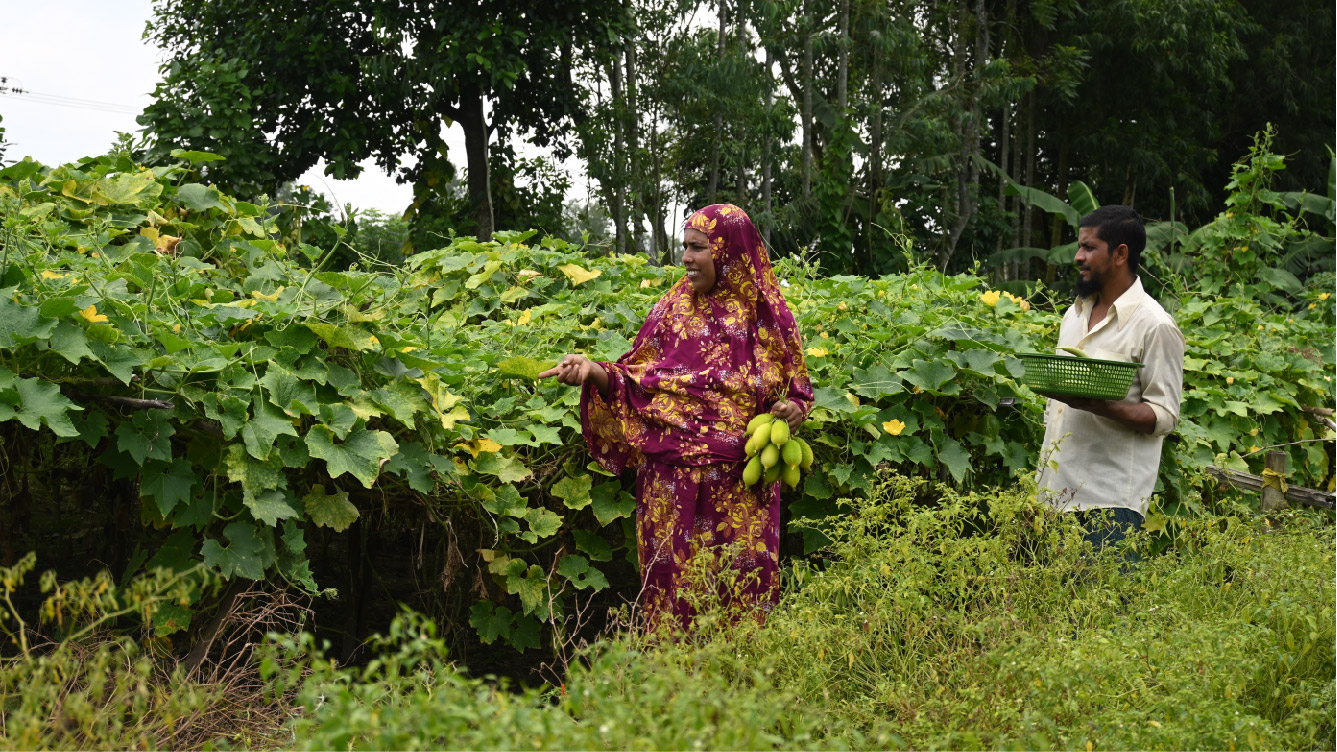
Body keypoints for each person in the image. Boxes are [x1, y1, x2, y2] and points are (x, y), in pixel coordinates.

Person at [539, 203, 813, 628]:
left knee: (742, 606)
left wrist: (794, 410)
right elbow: (638, 378)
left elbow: (799, 389)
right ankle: (672, 693)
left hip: (742, 492)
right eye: (684, 247)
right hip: (670, 488)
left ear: (729, 251)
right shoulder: (671, 310)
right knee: (673, 609)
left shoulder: (769, 318)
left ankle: (745, 694)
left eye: (698, 247)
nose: (686, 257)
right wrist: (592, 371)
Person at [1035, 205, 1185, 553]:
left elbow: (1164, 416)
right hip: (1051, 497)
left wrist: (1101, 405)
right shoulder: (1074, 315)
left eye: (1089, 247)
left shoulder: (1155, 325)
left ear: (1120, 254)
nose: (1077, 256)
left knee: (1101, 607)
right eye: (1079, 246)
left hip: (1109, 505)